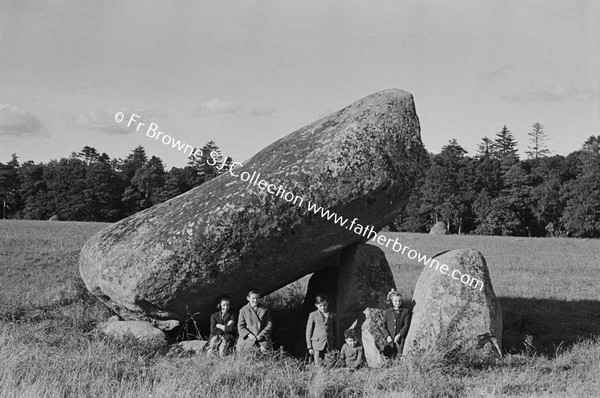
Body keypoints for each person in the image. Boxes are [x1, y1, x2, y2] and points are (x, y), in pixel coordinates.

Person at [305, 293, 336, 366]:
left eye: (324, 305)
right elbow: (308, 331)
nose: (323, 307)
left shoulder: (332, 315)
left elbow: (335, 330)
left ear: (328, 303)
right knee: (317, 364)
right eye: (320, 306)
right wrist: (309, 347)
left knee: (330, 363)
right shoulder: (313, 315)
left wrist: (336, 344)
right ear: (316, 305)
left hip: (329, 343)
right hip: (317, 343)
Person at [383, 289, 411, 358]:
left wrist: (399, 335)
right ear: (392, 301)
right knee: (388, 357)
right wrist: (387, 336)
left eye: (400, 301)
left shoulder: (405, 312)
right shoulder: (387, 312)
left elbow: (406, 325)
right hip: (389, 339)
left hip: (400, 339)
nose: (398, 303)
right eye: (395, 301)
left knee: (399, 355)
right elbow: (384, 326)